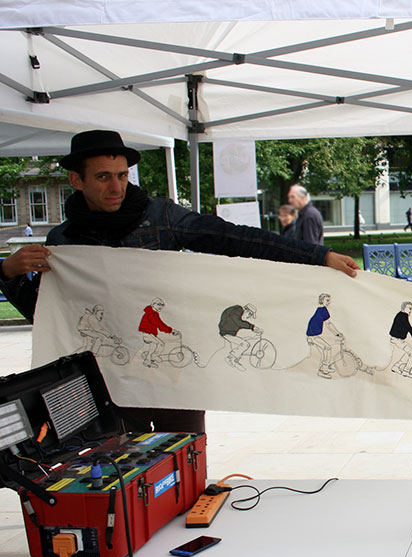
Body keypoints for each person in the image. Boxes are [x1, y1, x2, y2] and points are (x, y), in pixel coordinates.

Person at [0, 129, 359, 431]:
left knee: (185, 468)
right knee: (130, 476)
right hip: (113, 384)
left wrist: (316, 255)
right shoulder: (63, 242)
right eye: (103, 176)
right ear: (76, 180)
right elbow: (46, 315)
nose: (116, 186)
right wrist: (9, 273)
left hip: (176, 379)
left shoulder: (160, 216)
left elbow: (233, 238)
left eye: (122, 175)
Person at [218, 303, 259, 371]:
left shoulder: (237, 311)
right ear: (246, 311)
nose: (248, 317)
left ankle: (234, 359)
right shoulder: (237, 310)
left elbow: (240, 322)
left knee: (242, 342)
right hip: (227, 332)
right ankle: (231, 358)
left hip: (228, 332)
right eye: (249, 315)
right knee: (245, 344)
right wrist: (252, 327)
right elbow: (239, 322)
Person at [138, 298, 177, 368]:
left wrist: (169, 330)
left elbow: (159, 324)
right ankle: (152, 358)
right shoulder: (151, 314)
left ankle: (150, 359)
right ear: (153, 304)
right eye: (159, 304)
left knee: (154, 347)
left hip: (150, 334)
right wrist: (170, 330)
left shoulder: (153, 313)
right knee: (160, 344)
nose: (160, 306)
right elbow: (159, 324)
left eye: (162, 305)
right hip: (147, 334)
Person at [388, 301, 412, 378]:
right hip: (397, 340)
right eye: (409, 308)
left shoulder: (400, 315)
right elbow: (408, 327)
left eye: (411, 309)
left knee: (409, 353)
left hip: (396, 339)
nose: (410, 310)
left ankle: (396, 367)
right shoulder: (403, 316)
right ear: (404, 308)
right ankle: (406, 371)